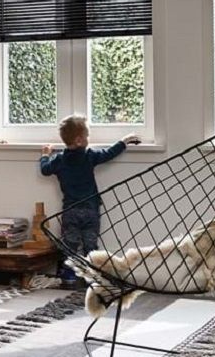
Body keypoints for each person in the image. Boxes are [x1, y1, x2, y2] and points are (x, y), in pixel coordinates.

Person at [40, 114, 140, 288]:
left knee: (69, 245)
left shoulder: (59, 160)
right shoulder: (89, 156)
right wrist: (124, 141)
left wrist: (45, 155)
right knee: (90, 246)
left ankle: (68, 276)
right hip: (90, 210)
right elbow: (109, 153)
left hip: (69, 211)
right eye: (87, 136)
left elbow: (45, 170)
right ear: (79, 140)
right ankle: (91, 278)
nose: (88, 139)